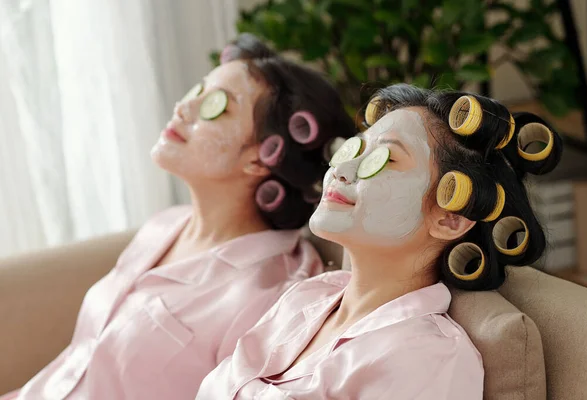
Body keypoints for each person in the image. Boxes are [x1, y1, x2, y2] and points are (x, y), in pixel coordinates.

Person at [3, 34, 356, 400]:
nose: (185, 107)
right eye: (199, 89)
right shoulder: (165, 225)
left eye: (217, 105)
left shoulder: (272, 293)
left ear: (261, 158)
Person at [196, 84, 562, 399]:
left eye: (384, 159)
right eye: (353, 150)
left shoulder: (425, 358)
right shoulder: (306, 297)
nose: (341, 169)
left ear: (450, 218)